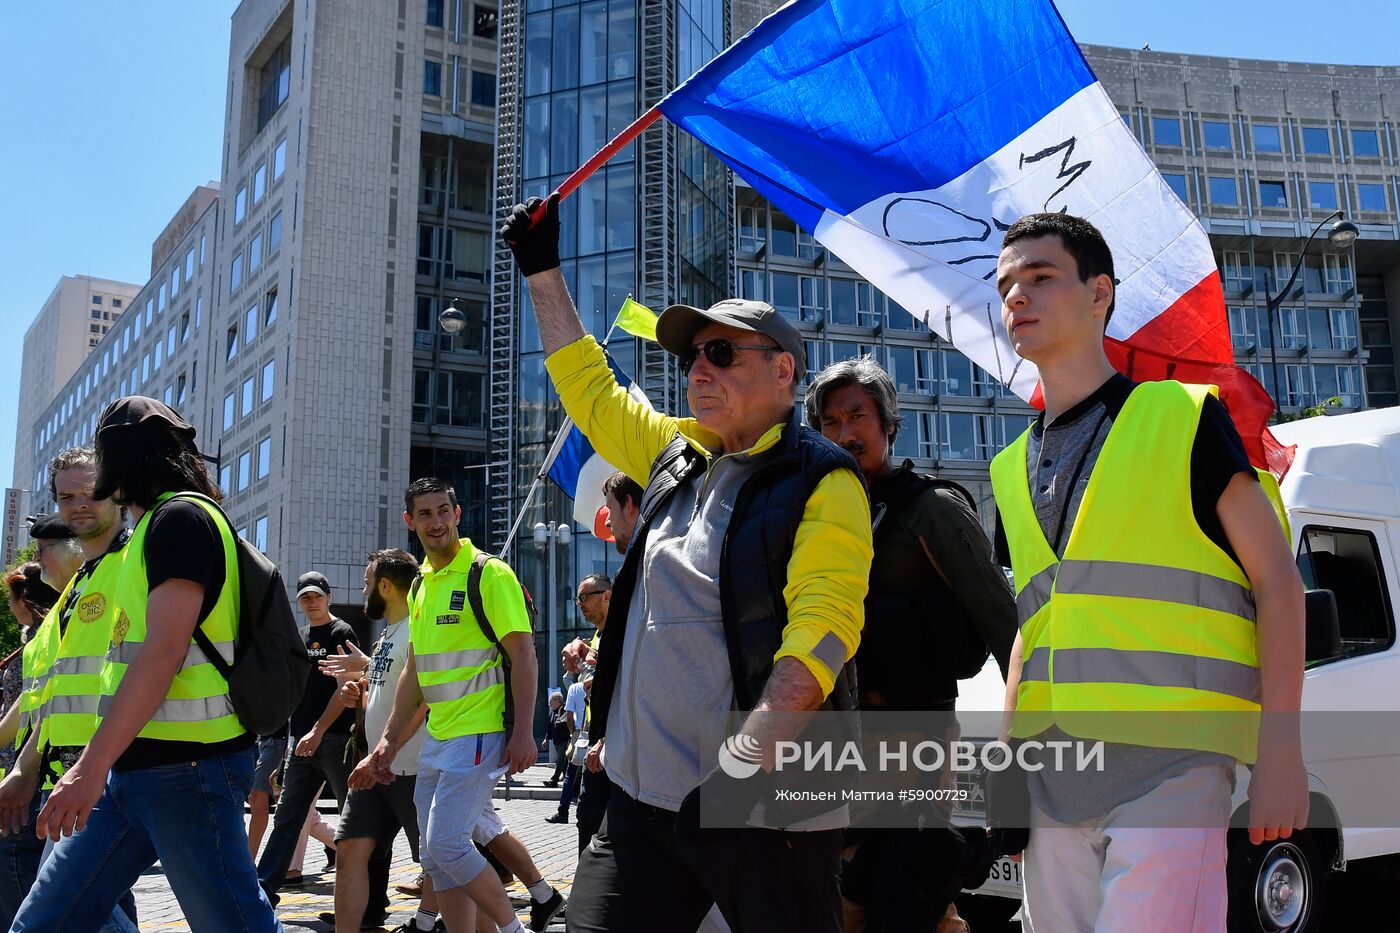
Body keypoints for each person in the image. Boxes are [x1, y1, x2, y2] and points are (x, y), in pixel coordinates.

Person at [503, 194, 872, 933]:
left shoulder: (824, 481)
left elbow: (819, 640)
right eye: (692, 355)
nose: (698, 369)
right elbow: (590, 387)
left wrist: (739, 769)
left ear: (784, 372)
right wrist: (541, 270)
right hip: (642, 808)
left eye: (722, 353)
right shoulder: (675, 453)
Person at [990, 213, 1307, 930]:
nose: (1016, 296)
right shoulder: (1008, 467)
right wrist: (1006, 766)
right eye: (1006, 284)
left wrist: (1280, 749)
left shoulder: (1182, 415)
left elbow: (1277, 582)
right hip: (1051, 786)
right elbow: (1030, 631)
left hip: (1172, 769)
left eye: (1040, 277)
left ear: (1100, 293)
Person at [14, 396, 282, 932]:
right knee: (43, 924)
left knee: (233, 924)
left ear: (123, 459)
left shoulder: (180, 519)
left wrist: (86, 769)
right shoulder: (151, 532)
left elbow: (164, 652)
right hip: (133, 770)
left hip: (188, 769)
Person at [807, 358, 1017, 933]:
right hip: (837, 744)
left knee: (913, 904)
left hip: (914, 738)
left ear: (888, 424)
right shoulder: (818, 515)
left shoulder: (932, 510)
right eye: (830, 421)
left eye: (858, 416)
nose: (845, 433)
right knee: (845, 904)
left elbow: (1007, 627)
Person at [367, 477, 559, 933]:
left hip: (478, 732)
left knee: (448, 844)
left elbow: (524, 654)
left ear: (457, 514)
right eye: (426, 514)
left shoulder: (488, 573)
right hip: (439, 735)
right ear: (410, 522)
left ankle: (513, 930)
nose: (436, 522)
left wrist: (523, 733)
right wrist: (389, 742)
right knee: (435, 857)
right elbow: (415, 671)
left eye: (443, 511)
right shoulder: (420, 587)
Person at [316, 548, 441, 933]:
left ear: (385, 585)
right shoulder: (389, 632)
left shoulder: (420, 629)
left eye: (368, 583)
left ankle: (439, 922)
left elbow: (423, 699)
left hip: (411, 768)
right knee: (350, 848)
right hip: (374, 767)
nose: (363, 588)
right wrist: (362, 693)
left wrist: (386, 751)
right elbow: (391, 689)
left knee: (439, 861)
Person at [256, 571, 368, 907]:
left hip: (335, 741)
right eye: (305, 597)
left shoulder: (341, 632)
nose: (311, 602)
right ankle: (263, 890)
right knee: (287, 817)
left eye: (317, 596)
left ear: (328, 597)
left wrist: (317, 732)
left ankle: (362, 898)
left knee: (354, 819)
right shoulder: (300, 636)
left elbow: (346, 689)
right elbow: (294, 693)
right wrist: (290, 745)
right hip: (302, 744)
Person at [0, 562, 57, 929]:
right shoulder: (36, 638)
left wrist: (23, 767)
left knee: (14, 856)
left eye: (11, 596)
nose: (9, 605)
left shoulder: (44, 638)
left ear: (25, 597)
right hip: (33, 765)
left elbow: (33, 705)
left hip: (37, 767)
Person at [544, 645, 592, 824]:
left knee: (571, 773)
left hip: (579, 734)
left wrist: (574, 732)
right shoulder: (598, 681)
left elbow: (569, 716)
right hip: (598, 733)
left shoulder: (575, 688)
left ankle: (563, 812)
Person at [544, 693, 569, 787]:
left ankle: (554, 780)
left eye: (551, 700)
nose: (549, 702)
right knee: (563, 761)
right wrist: (546, 739)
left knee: (560, 760)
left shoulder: (563, 710)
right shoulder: (552, 712)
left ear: (558, 701)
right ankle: (567, 779)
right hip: (557, 741)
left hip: (564, 740)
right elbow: (549, 728)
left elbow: (566, 722)